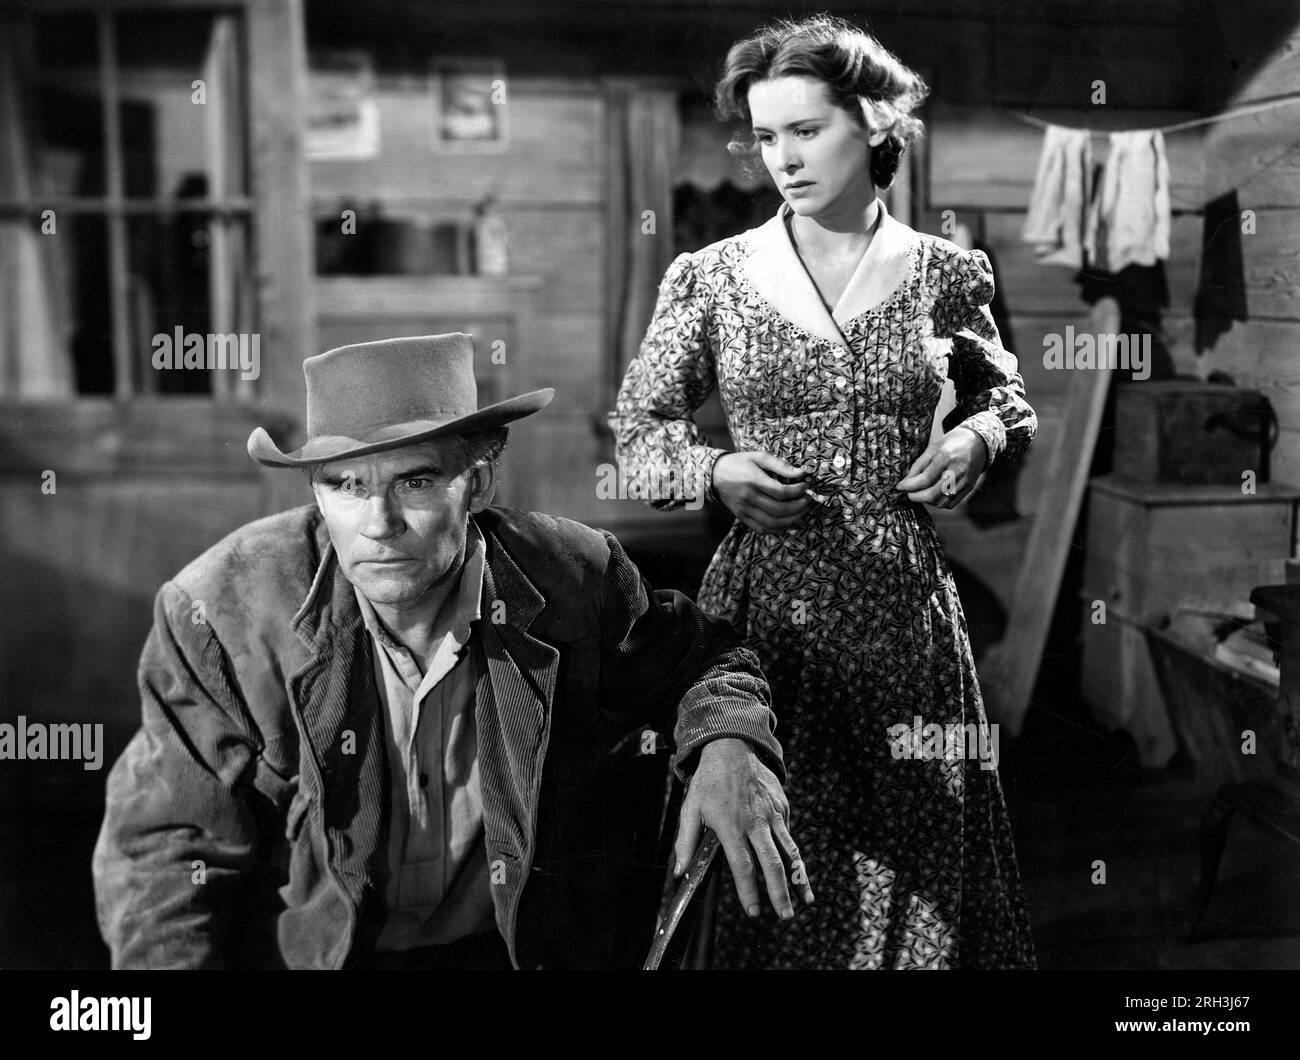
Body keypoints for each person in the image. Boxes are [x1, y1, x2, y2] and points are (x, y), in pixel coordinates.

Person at [92, 332, 812, 970]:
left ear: (478, 482)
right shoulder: (222, 609)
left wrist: (729, 746)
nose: (379, 523)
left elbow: (706, 662)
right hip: (322, 953)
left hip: (514, 948)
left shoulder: (575, 576)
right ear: (315, 493)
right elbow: (167, 852)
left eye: (417, 480)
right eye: (344, 485)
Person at [610, 16, 1037, 969]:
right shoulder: (714, 279)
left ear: (877, 123)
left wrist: (974, 438)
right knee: (768, 873)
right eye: (766, 137)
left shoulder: (943, 273)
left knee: (916, 870)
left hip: (904, 616)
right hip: (764, 630)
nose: (783, 159)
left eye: (806, 130)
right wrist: (715, 470)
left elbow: (1005, 398)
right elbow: (639, 438)